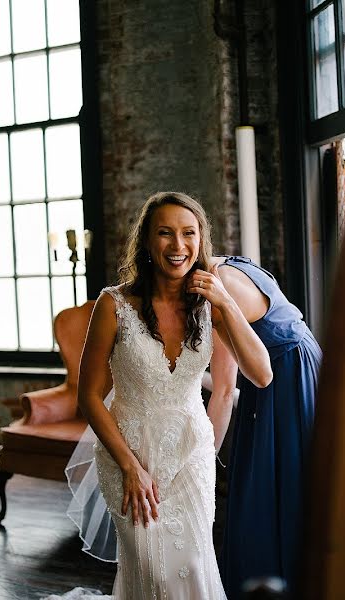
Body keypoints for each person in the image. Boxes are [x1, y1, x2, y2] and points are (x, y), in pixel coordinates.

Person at [74, 192, 272, 598]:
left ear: (201, 240)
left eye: (188, 233)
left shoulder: (210, 306)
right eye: (165, 233)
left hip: (191, 457)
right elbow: (89, 396)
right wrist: (130, 467)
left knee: (195, 567)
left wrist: (226, 302)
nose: (178, 245)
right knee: (156, 573)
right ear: (147, 241)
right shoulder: (113, 306)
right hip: (128, 457)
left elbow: (262, 374)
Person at [208, 255, 322, 600]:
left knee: (276, 482)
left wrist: (203, 462)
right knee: (292, 480)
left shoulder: (215, 294)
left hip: (283, 381)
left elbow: (227, 389)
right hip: (303, 363)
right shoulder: (228, 265)